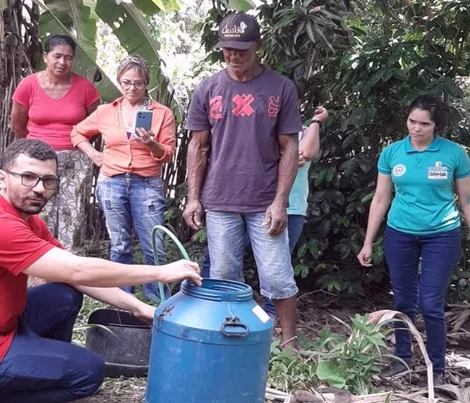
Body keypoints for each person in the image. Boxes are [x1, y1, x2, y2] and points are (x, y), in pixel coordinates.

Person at [0, 138, 200, 403]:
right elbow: (79, 269)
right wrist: (159, 273)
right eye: (28, 177)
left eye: (48, 180)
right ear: (2, 179)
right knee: (89, 371)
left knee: (63, 294)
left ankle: (38, 364)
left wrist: (138, 308)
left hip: (0, 327)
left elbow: (72, 277)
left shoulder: (28, 221)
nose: (39, 188)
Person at [183, 12, 302, 347]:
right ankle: (231, 339)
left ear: (258, 46)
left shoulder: (280, 87)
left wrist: (281, 202)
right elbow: (198, 144)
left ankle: (290, 344)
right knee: (222, 278)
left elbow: (289, 147)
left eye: (241, 50)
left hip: (264, 201)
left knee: (277, 277)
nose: (234, 56)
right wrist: (193, 197)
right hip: (219, 200)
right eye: (227, 50)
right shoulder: (208, 88)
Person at [357, 95, 470, 385]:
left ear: (436, 125)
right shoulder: (392, 153)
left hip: (442, 234)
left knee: (430, 303)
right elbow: (380, 198)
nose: (416, 128)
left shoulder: (454, 154)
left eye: (424, 124)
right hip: (400, 232)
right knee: (402, 300)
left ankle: (436, 368)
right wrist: (368, 242)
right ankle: (402, 359)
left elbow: (468, 201)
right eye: (412, 121)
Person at [199, 106, 329, 320]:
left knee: (277, 267)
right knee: (217, 258)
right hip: (250, 205)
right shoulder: (258, 132)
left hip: (291, 207)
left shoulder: (303, 132)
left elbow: (305, 153)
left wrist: (316, 121)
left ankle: (271, 317)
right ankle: (207, 305)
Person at [71, 55, 176, 303]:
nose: (132, 88)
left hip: (146, 183)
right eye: (127, 82)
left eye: (138, 83)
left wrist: (152, 144)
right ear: (119, 81)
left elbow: (168, 154)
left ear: (146, 83)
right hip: (112, 181)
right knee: (119, 244)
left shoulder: (162, 114)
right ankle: (121, 295)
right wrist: (95, 155)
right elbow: (77, 132)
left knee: (154, 244)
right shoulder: (106, 111)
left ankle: (157, 295)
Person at [10, 35, 101, 250]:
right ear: (46, 57)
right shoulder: (28, 85)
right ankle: (37, 261)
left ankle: (70, 267)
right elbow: (17, 125)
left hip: (75, 159)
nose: (62, 62)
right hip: (37, 160)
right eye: (57, 56)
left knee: (74, 212)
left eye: (68, 58)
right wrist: (38, 149)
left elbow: (96, 125)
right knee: (39, 207)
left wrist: (76, 143)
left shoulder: (85, 88)